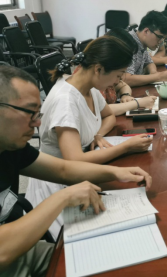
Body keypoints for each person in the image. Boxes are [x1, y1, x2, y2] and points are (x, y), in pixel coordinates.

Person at [0, 66, 152, 277]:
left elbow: (63, 169)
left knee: (109, 267)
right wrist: (62, 197)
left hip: (24, 250)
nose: (38, 122)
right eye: (30, 112)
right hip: (5, 271)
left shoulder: (11, 147)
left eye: (38, 113)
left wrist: (116, 172)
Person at [26, 37, 154, 238]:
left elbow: (109, 116)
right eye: (118, 75)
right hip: (57, 186)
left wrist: (98, 134)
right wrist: (126, 146)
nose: (118, 82)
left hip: (80, 176)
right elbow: (75, 160)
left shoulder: (89, 88)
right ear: (98, 69)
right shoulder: (66, 101)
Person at [101, 29, 157, 116]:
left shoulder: (108, 73)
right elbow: (101, 111)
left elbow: (123, 85)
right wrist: (137, 103)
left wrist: (125, 95)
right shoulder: (97, 79)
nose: (118, 80)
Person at [123, 11, 167, 87]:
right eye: (160, 37)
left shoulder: (141, 42)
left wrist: (153, 72)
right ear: (146, 31)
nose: (161, 42)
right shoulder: (128, 43)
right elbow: (126, 79)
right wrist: (158, 77)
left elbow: (149, 62)